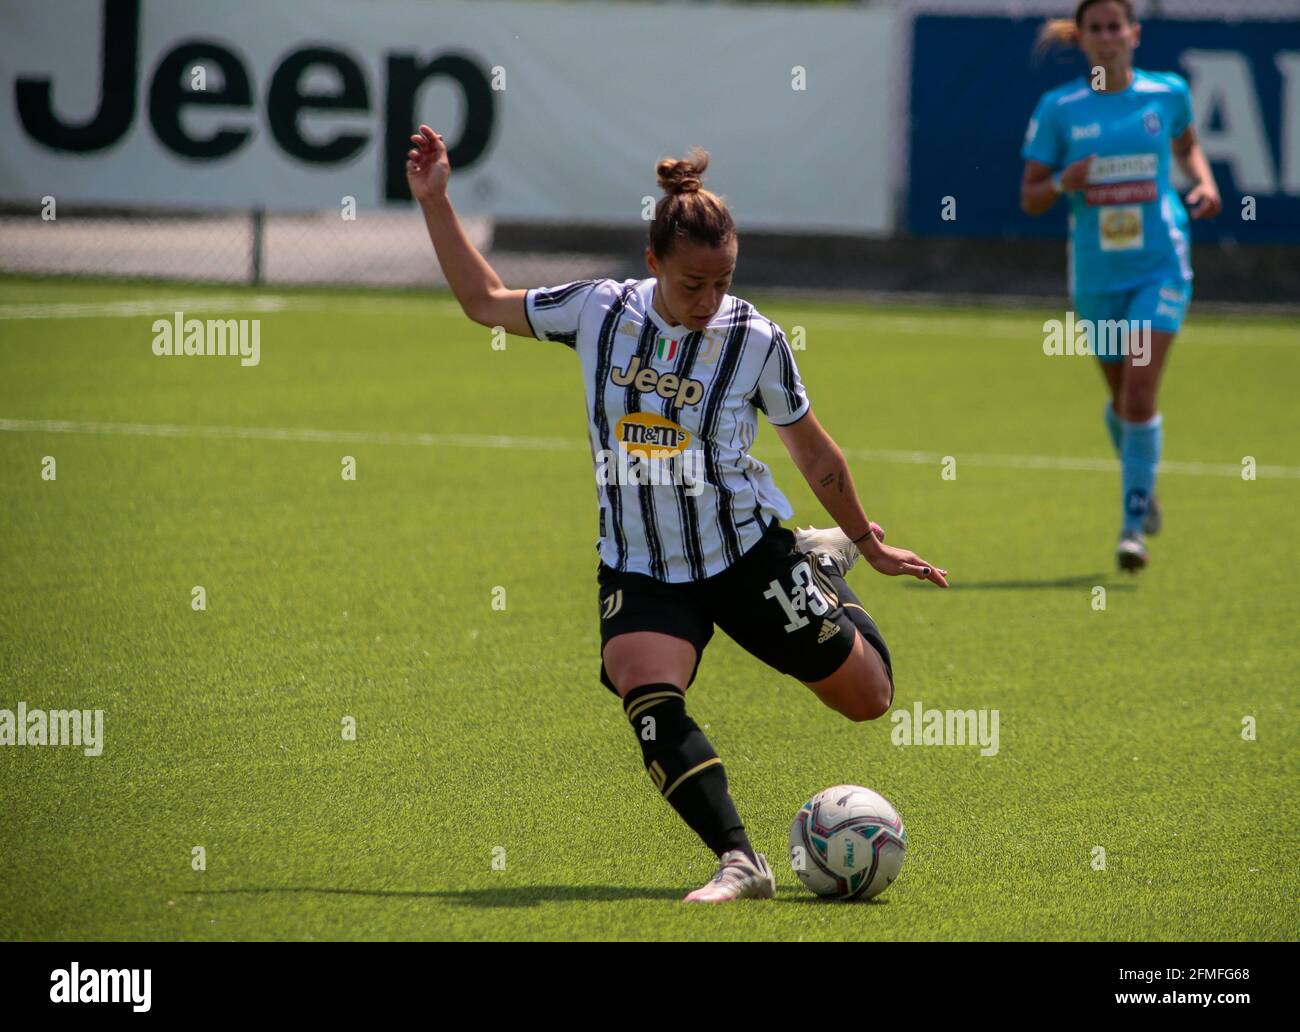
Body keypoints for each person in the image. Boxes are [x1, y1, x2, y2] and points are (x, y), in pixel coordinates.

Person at [407, 125, 947, 901]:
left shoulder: (755, 340)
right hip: (638, 559)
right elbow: (483, 302)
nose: (709, 299)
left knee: (868, 702)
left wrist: (869, 541)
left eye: (722, 282)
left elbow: (817, 455)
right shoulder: (597, 310)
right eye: (693, 283)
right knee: (643, 686)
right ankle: (739, 860)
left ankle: (820, 562)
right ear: (653, 262)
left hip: (745, 554)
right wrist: (437, 202)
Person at [1020, 0, 1221, 570]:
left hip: (1160, 265)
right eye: (1096, 29)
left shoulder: (1167, 93)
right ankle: (1145, 480)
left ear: (1134, 34)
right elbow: (1030, 197)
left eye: (1116, 27)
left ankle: (1132, 526)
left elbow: (1186, 147)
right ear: (1081, 39)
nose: (1108, 37)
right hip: (1097, 275)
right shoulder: (1060, 109)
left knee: (1138, 394)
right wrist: (1063, 181)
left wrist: (1202, 184)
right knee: (1121, 399)